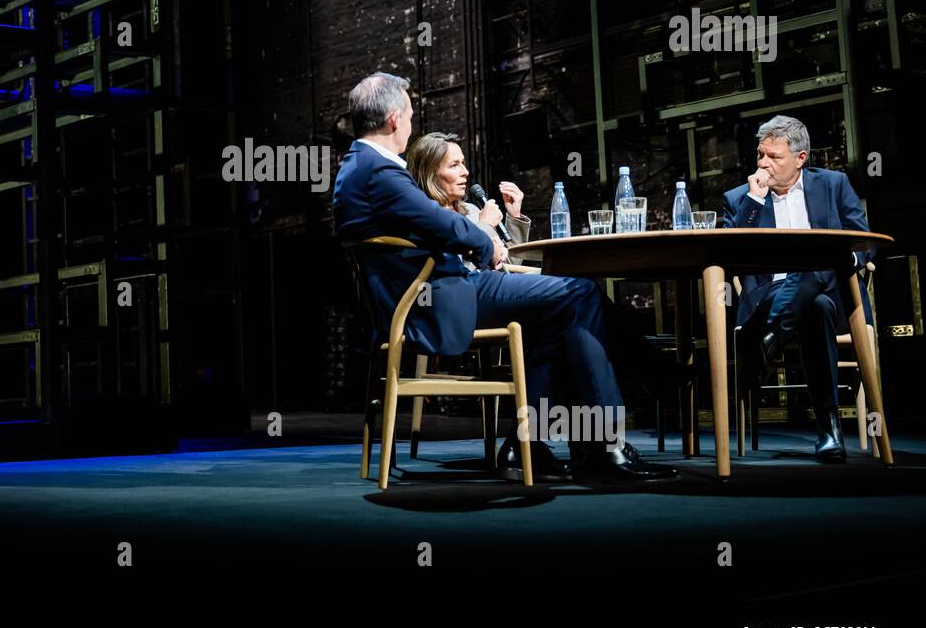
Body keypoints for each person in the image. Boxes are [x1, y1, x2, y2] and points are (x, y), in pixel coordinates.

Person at [334, 72, 678, 484]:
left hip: (431, 291)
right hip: (441, 296)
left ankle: (531, 446)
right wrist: (485, 241)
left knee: (558, 314)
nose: (410, 122)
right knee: (580, 292)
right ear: (393, 119)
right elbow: (440, 224)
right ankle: (602, 444)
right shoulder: (378, 171)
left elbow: (431, 225)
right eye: (409, 114)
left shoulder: (357, 167)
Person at [722, 115, 875, 463]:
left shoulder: (833, 184)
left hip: (836, 300)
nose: (763, 163)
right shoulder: (739, 198)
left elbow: (863, 242)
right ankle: (829, 431)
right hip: (770, 298)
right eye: (760, 154)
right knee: (813, 302)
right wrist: (755, 201)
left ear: (800, 158)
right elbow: (732, 256)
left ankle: (767, 343)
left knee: (819, 282)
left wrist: (845, 263)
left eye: (773, 156)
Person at [404, 132, 532, 268]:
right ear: (429, 173)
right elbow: (459, 274)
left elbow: (509, 265)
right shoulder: (424, 219)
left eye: (463, 163)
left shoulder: (472, 211)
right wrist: (485, 226)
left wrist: (514, 216)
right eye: (454, 165)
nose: (465, 171)